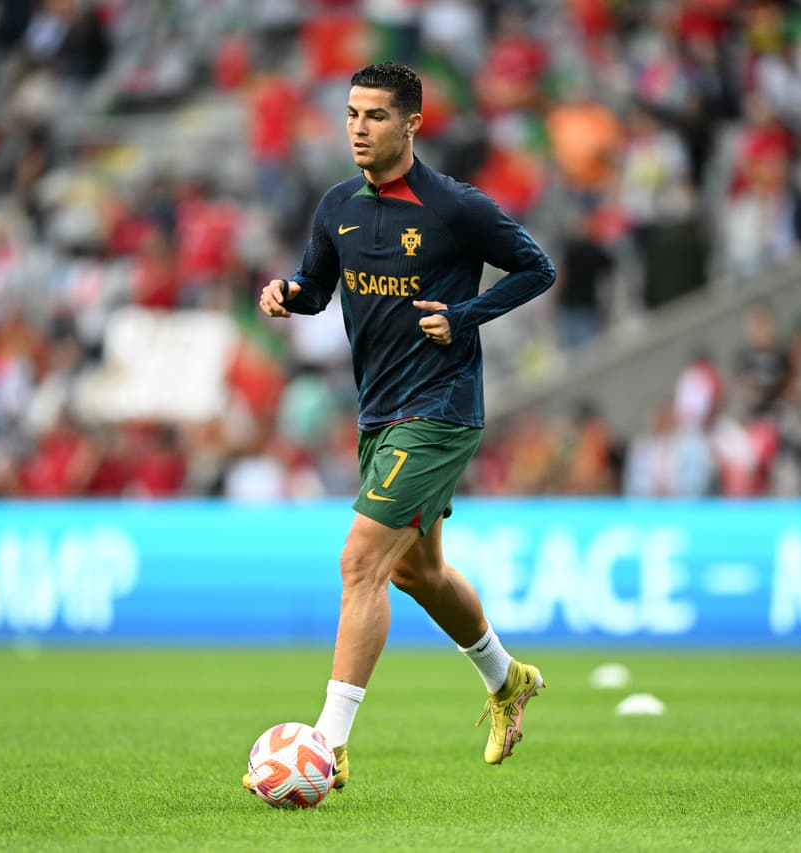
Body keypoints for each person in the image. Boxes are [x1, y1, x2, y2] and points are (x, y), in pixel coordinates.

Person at [246, 62, 555, 794]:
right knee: (418, 570)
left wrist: (464, 317)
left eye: (376, 116)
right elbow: (320, 286)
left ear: (412, 123)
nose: (358, 127)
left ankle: (327, 745)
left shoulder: (453, 207)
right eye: (352, 113)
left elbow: (534, 268)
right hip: (380, 412)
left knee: (361, 562)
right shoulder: (336, 207)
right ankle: (508, 679)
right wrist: (292, 293)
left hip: (441, 410)